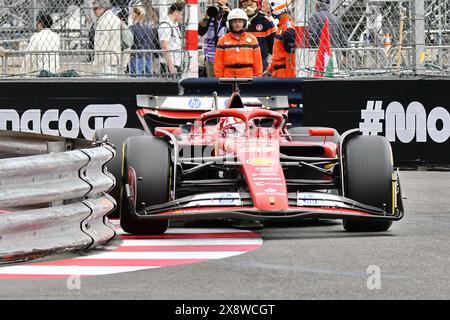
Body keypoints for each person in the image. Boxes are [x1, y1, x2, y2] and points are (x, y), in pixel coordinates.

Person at [214, 8, 263, 78]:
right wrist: (219, 78)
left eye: (240, 21)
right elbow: (218, 63)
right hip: (228, 77)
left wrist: (258, 76)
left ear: (244, 23)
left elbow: (257, 62)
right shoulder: (222, 40)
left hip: (248, 77)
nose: (237, 24)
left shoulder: (253, 40)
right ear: (230, 23)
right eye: (234, 22)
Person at [239, 0, 276, 71]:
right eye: (245, 4)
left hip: (261, 61)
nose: (248, 7)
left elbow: (273, 45)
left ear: (257, 5)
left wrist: (269, 61)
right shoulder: (236, 22)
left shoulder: (266, 22)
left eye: (251, 4)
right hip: (241, 62)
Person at [198, 0, 230, 77]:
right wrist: (206, 15)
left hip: (227, 55)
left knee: (225, 83)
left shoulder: (230, 13)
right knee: (212, 83)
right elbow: (201, 31)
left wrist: (230, 15)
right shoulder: (211, 12)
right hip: (211, 56)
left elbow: (235, 31)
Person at [265, 0, 297, 78]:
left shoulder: (288, 28)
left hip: (284, 74)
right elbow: (277, 55)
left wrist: (290, 79)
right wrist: (270, 70)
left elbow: (291, 56)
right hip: (277, 73)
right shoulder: (281, 27)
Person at [92, 0, 122, 76]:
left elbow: (101, 47)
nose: (94, 11)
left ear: (102, 8)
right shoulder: (115, 19)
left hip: (105, 63)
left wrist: (95, 65)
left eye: (95, 8)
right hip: (114, 59)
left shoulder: (103, 23)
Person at [158, 2, 184, 76]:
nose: (182, 17)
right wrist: (171, 66)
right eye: (181, 14)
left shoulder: (175, 25)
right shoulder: (165, 25)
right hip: (169, 65)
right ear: (176, 12)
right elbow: (164, 47)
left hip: (176, 63)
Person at [129, 6, 155, 76]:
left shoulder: (132, 28)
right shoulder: (148, 28)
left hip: (136, 57)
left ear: (134, 14)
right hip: (148, 57)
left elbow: (129, 43)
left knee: (136, 82)